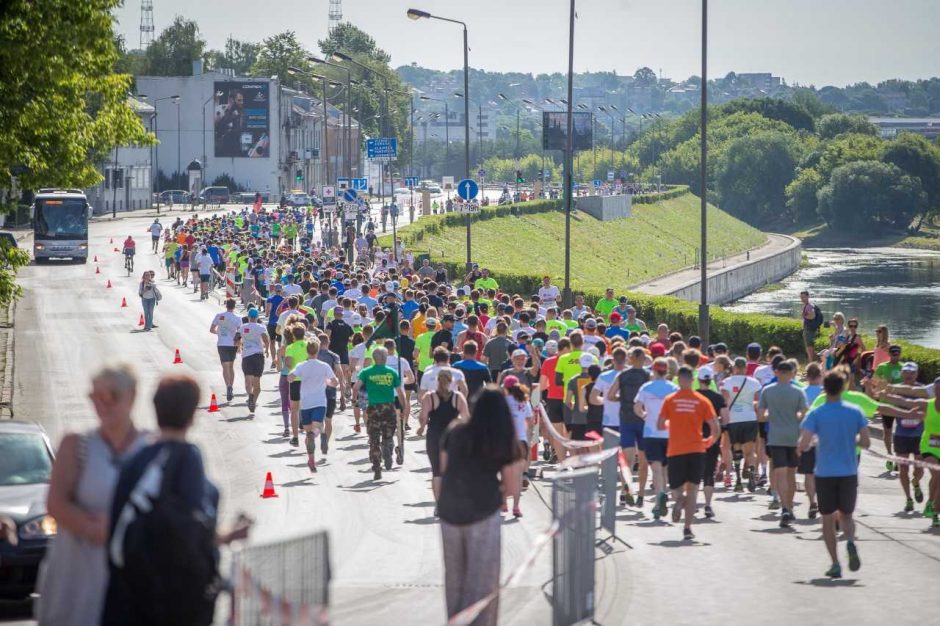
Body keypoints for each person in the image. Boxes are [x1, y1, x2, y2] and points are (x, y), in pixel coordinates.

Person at [102, 374, 251, 626]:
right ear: (193, 414)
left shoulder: (136, 459)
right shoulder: (186, 457)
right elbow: (189, 528)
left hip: (127, 593)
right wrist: (229, 535)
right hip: (175, 596)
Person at [36, 364, 147, 626]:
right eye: (95, 397)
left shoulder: (150, 448)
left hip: (132, 574)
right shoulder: (77, 445)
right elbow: (56, 503)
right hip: (79, 572)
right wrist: (91, 527)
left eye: (110, 396)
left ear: (132, 396)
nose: (101, 404)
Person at [438, 387, 520, 626]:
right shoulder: (501, 437)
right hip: (483, 510)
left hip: (450, 510)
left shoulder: (455, 431)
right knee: (482, 578)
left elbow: (445, 470)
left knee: (454, 577)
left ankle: (455, 621)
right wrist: (499, 494)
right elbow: (512, 485)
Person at [798, 371, 871, 578]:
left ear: (824, 388)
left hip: (825, 472)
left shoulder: (816, 413)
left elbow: (804, 444)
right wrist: (851, 440)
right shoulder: (855, 412)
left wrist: (805, 446)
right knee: (846, 515)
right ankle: (849, 541)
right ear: (843, 388)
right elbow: (866, 442)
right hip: (848, 471)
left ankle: (835, 563)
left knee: (827, 519)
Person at [657, 366, 719, 540]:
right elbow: (715, 427)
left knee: (676, 487)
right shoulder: (701, 401)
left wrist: (672, 425)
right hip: (696, 449)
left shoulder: (670, 400)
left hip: (676, 449)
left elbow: (660, 424)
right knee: (693, 490)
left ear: (678, 379)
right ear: (692, 380)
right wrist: (710, 441)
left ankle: (678, 501)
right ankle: (688, 528)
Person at [757, 360, 808, 527]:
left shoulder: (767, 391)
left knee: (780, 473)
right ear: (792, 373)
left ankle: (784, 508)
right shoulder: (798, 391)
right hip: (793, 437)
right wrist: (793, 417)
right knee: (791, 474)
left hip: (776, 437)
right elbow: (803, 414)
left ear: (777, 372)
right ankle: (790, 507)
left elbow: (760, 416)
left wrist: (773, 416)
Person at [634, 357, 678, 519]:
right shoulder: (674, 388)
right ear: (667, 371)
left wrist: (645, 415)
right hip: (669, 433)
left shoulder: (646, 387)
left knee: (656, 468)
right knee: (666, 467)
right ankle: (663, 492)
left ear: (653, 370)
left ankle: (660, 496)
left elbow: (637, 408)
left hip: (651, 432)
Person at [354, 347, 407, 481]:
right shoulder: (392, 372)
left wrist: (354, 399)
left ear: (373, 358)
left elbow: (356, 387)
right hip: (388, 407)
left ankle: (377, 466)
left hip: (373, 408)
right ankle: (388, 446)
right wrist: (404, 408)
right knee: (388, 433)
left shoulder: (366, 372)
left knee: (374, 439)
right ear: (385, 359)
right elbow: (400, 393)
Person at [419, 368, 469, 503]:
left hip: (434, 436)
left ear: (437, 381)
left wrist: (421, 427)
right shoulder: (458, 397)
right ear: (452, 381)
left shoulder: (429, 396)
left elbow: (423, 417)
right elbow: (466, 418)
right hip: (454, 437)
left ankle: (439, 504)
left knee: (437, 472)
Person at [290, 338, 339, 472]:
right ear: (317, 351)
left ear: (307, 351)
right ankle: (315, 434)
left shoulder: (301, 365)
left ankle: (311, 459)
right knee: (318, 427)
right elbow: (335, 382)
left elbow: (290, 377)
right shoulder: (324, 366)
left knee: (307, 433)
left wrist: (294, 377)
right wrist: (328, 382)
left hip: (305, 403)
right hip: (319, 402)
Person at [694, 368, 727, 519]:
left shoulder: (693, 397)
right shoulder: (718, 398)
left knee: (693, 471)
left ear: (699, 380)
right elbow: (726, 419)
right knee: (709, 472)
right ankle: (707, 505)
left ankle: (692, 503)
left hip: (694, 438)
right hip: (713, 438)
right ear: (711, 380)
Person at [503, 375, 533, 517]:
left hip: (505, 441)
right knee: (518, 476)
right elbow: (530, 421)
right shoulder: (524, 401)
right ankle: (516, 507)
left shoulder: (502, 401)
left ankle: (503, 501)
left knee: (504, 472)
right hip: (521, 442)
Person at [236, 307, 270, 415]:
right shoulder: (261, 327)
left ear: (249, 317)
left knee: (247, 380)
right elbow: (265, 339)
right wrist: (267, 350)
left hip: (247, 356)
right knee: (257, 383)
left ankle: (250, 396)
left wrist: (239, 346)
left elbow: (236, 339)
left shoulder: (243, 327)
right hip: (259, 356)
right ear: (257, 317)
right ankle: (253, 402)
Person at [210, 298, 242, 402]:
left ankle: (228, 386)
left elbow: (211, 329)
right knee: (231, 366)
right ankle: (230, 387)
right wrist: (238, 343)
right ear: (234, 306)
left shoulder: (219, 316)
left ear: (226, 305)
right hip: (232, 344)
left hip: (222, 344)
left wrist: (219, 333)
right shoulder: (238, 317)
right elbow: (240, 332)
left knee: (225, 367)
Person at [799, 290, 820, 363]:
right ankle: (813, 363)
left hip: (809, 330)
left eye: (804, 297)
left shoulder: (809, 306)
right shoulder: (808, 305)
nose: (802, 299)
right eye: (801, 297)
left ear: (808, 296)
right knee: (809, 347)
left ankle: (811, 363)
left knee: (809, 347)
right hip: (810, 329)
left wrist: (804, 316)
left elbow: (812, 316)